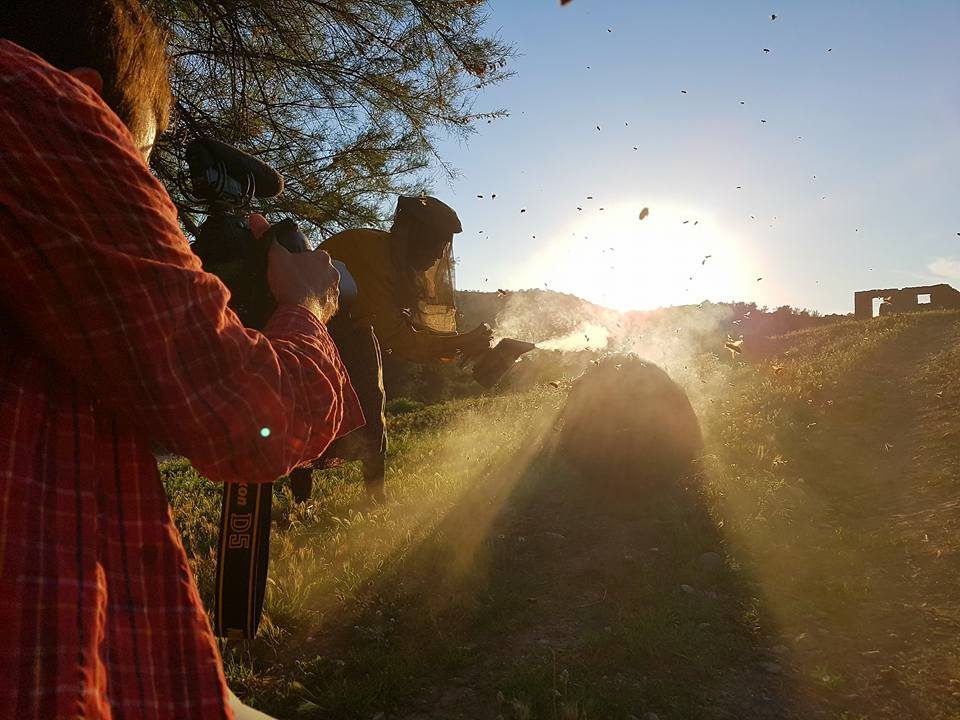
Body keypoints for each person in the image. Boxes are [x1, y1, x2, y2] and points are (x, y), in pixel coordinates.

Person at [0, 2, 364, 718]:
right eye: (137, 155)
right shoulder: (32, 98)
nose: (140, 180)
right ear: (83, 91)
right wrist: (309, 307)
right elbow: (238, 406)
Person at [302, 197, 492, 503]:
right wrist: (458, 342)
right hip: (313, 329)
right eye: (436, 243)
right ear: (414, 236)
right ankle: (302, 492)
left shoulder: (398, 261)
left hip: (355, 325)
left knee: (372, 406)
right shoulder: (371, 255)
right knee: (314, 409)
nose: (439, 254)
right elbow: (399, 337)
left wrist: (463, 342)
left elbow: (412, 326)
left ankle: (375, 494)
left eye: (445, 244)